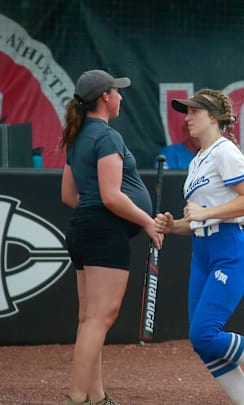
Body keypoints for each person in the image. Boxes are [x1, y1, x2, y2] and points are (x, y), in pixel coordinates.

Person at [153, 89, 244, 405]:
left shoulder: (224, 152)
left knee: (204, 334)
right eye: (185, 112)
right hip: (203, 252)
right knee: (202, 341)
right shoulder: (197, 161)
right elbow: (196, 220)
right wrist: (172, 225)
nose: (187, 118)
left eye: (194, 112)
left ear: (213, 118)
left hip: (228, 249)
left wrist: (205, 213)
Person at [60, 69, 164, 405]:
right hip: (104, 234)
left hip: (85, 230)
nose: (121, 97)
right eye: (117, 92)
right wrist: (147, 221)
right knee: (99, 319)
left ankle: (96, 397)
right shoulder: (106, 136)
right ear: (105, 97)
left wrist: (94, 215)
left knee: (89, 319)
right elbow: (111, 196)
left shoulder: (78, 136)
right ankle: (76, 399)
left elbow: (69, 195)